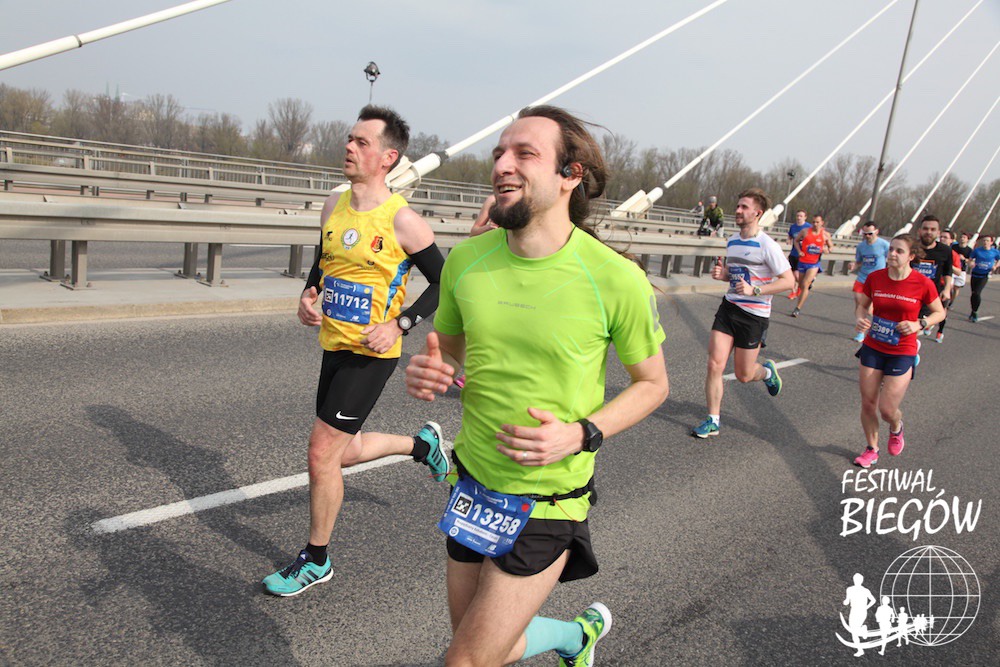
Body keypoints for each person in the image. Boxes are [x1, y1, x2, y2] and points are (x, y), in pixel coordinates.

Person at [405, 105, 669, 667]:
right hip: (472, 485)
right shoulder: (466, 261)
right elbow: (449, 350)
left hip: (546, 499)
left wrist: (581, 433)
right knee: (483, 649)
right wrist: (435, 368)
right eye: (499, 152)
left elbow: (653, 385)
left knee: (465, 660)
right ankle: (576, 638)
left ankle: (573, 638)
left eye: (524, 154)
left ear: (570, 175)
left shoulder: (615, 278)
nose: (503, 164)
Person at [261, 105, 450, 597]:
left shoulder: (403, 221)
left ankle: (316, 559)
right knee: (345, 451)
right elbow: (324, 262)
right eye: (350, 139)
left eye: (361, 143)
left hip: (371, 354)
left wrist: (400, 324)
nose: (349, 147)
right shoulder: (334, 205)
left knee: (321, 452)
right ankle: (422, 446)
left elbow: (445, 284)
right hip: (334, 345)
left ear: (388, 158)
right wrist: (308, 295)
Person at [691, 188, 794, 438]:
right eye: (738, 206)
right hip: (729, 307)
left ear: (757, 213)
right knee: (714, 364)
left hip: (754, 315)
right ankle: (713, 420)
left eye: (744, 207)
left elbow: (789, 281)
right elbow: (736, 274)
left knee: (744, 375)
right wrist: (723, 275)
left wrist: (755, 290)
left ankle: (767, 372)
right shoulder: (733, 241)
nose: (737, 210)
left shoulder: (767, 245)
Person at [853, 234, 945, 468]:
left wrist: (920, 324)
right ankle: (871, 449)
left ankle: (896, 427)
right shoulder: (875, 278)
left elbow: (939, 312)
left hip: (902, 349)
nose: (892, 254)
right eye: (891, 249)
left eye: (899, 251)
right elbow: (862, 306)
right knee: (868, 403)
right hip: (873, 346)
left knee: (887, 409)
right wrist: (861, 319)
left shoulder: (922, 283)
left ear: (911, 256)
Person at [913, 216, 954, 339]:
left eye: (932, 229)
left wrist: (947, 289)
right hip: (910, 293)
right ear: (919, 231)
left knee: (915, 329)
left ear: (938, 232)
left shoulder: (945, 250)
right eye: (925, 229)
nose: (928, 232)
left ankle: (911, 347)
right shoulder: (912, 247)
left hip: (929, 295)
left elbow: (947, 271)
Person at [849, 221, 890, 342]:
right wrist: (854, 265)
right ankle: (861, 332)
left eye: (870, 233)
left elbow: (892, 259)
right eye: (864, 234)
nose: (867, 236)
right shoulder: (861, 246)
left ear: (876, 231)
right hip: (862, 278)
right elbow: (859, 261)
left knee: (870, 310)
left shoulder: (884, 245)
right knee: (859, 303)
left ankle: (879, 327)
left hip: (878, 280)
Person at [791, 213, 832, 317]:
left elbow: (831, 247)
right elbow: (796, 241)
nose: (815, 224)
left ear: (822, 223)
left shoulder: (825, 234)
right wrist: (799, 251)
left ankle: (797, 308)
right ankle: (807, 285)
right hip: (802, 261)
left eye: (817, 222)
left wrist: (826, 250)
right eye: (813, 222)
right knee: (801, 285)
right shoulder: (805, 231)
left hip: (814, 264)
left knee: (805, 284)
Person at [843, 573, 877, 657]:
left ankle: (862, 630)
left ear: (861, 580)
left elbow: (873, 600)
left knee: (854, 631)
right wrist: (845, 602)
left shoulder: (864, 590)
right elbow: (847, 601)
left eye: (858, 579)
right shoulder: (850, 589)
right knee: (853, 631)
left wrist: (866, 607)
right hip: (854, 610)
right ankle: (860, 648)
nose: (856, 581)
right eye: (855, 579)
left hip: (860, 611)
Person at [968, 234, 1000, 322]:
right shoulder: (977, 250)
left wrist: (995, 266)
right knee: (973, 294)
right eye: (984, 240)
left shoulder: (995, 252)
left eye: (987, 241)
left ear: (991, 242)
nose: (985, 242)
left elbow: (999, 260)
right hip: (975, 274)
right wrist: (970, 263)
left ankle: (975, 311)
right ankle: (973, 310)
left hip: (984, 275)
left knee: (977, 293)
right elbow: (970, 259)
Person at [785, 209, 811, 300]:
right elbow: (790, 235)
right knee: (792, 275)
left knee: (797, 275)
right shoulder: (793, 227)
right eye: (797, 216)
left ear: (805, 217)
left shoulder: (808, 227)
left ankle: (799, 288)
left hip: (802, 255)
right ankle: (793, 291)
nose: (799, 218)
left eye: (801, 216)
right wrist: (788, 239)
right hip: (793, 253)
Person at [950, 230, 973, 307]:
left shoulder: (969, 250)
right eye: (961, 237)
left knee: (956, 288)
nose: (962, 239)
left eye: (964, 237)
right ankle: (947, 300)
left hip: (962, 270)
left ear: (967, 240)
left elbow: (970, 261)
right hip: (952, 269)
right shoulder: (954, 247)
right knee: (949, 286)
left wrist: (964, 259)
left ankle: (951, 302)